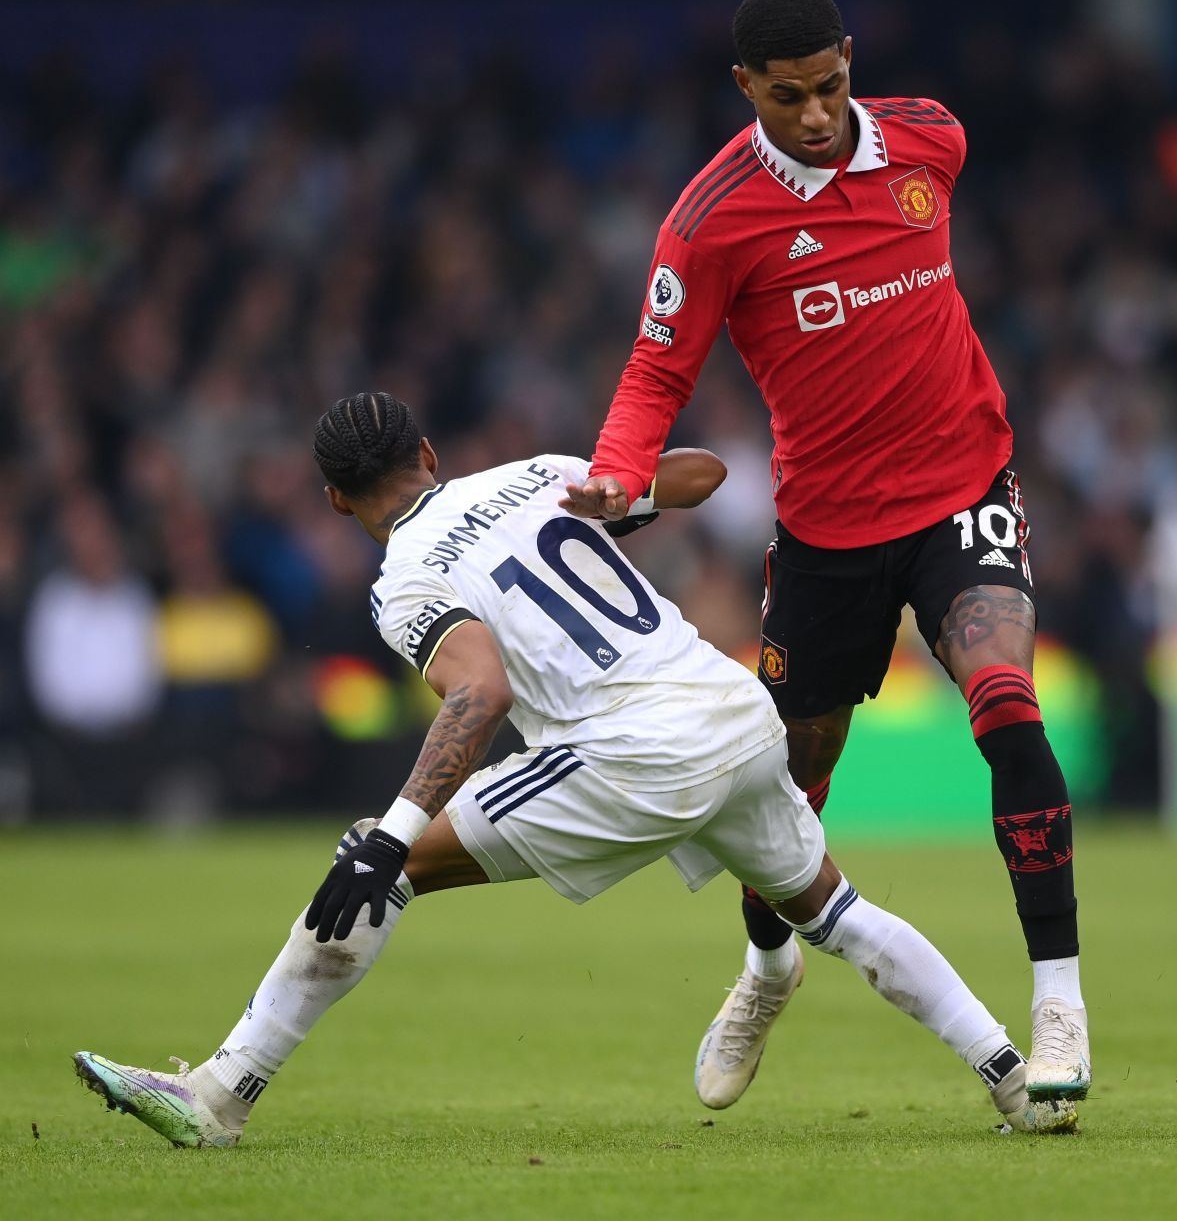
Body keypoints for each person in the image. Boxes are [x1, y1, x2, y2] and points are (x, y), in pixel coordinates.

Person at [72, 392, 1075, 1147]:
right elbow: (704, 475)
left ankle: (220, 1093)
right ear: (427, 453)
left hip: (632, 749)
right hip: (733, 711)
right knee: (832, 904)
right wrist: (621, 485)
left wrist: (388, 831)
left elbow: (481, 695)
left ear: (337, 500)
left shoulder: (404, 580)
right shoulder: (535, 473)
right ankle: (1012, 1077)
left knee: (384, 873)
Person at [563, 0, 1089, 1116]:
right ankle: (766, 968)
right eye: (789, 96)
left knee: (1007, 703)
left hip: (963, 489)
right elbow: (657, 370)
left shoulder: (931, 141)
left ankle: (1059, 1002)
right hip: (828, 533)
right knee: (789, 781)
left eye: (832, 87)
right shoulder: (711, 222)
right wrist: (618, 471)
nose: (814, 114)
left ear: (853, 60)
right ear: (745, 87)